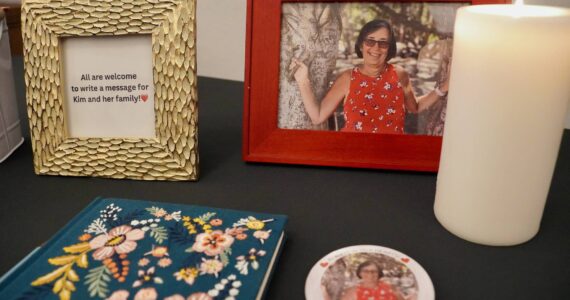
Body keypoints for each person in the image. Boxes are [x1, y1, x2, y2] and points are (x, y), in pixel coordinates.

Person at [290, 19, 449, 134]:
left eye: (383, 43)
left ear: (389, 48)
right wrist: (303, 80)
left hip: (393, 156)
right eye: (370, 41)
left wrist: (444, 87)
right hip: (354, 155)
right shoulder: (347, 78)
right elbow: (317, 117)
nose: (376, 48)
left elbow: (415, 107)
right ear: (361, 45)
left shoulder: (400, 75)